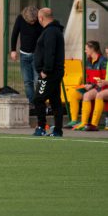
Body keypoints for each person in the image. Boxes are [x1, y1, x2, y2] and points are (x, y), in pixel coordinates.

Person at [32, 8, 65, 137]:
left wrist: (45, 70)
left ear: (41, 18)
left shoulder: (50, 32)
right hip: (55, 72)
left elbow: (49, 52)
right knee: (55, 100)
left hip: (49, 73)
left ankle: (41, 126)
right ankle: (57, 129)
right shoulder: (54, 30)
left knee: (38, 99)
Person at [67, 41, 106, 130]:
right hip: (91, 86)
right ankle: (74, 121)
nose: (85, 51)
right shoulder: (88, 61)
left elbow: (103, 80)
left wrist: (91, 86)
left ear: (92, 49)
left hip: (100, 87)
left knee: (86, 95)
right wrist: (86, 85)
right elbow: (88, 77)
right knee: (73, 93)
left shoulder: (103, 61)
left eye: (86, 49)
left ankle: (85, 123)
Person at [10, 6, 43, 103]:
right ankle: (31, 102)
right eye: (30, 22)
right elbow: (14, 34)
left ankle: (39, 102)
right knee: (27, 81)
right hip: (24, 54)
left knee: (38, 80)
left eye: (34, 21)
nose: (32, 23)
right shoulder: (20, 18)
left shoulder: (40, 20)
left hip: (37, 54)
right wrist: (13, 50)